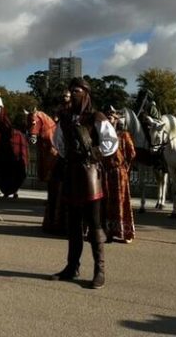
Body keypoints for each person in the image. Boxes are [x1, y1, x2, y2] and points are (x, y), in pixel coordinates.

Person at [50, 77, 118, 289]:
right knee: (73, 225)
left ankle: (100, 270)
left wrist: (94, 153)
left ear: (86, 93)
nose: (74, 93)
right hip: (72, 172)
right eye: (72, 90)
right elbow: (58, 142)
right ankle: (72, 267)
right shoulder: (65, 117)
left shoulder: (96, 117)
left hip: (90, 175)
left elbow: (111, 141)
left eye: (78, 90)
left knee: (94, 224)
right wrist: (70, 156)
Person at [101, 105, 136, 244]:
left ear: (116, 119)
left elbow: (132, 152)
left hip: (119, 172)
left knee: (120, 201)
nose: (109, 120)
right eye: (107, 117)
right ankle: (107, 232)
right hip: (105, 172)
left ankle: (123, 232)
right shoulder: (102, 135)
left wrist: (125, 165)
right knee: (106, 201)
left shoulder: (123, 134)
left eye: (111, 117)